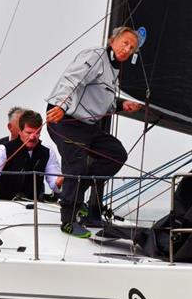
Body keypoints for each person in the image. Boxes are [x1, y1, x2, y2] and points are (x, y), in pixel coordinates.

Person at [45, 26, 143, 237]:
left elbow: (101, 103)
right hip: (64, 119)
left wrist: (121, 104)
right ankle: (68, 221)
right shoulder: (96, 56)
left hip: (86, 127)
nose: (127, 49)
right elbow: (72, 80)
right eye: (124, 43)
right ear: (111, 40)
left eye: (132, 47)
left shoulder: (114, 71)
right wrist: (61, 106)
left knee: (116, 154)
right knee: (76, 163)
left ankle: (76, 195)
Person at [0, 110, 62, 201]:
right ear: (20, 131)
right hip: (4, 203)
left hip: (33, 207)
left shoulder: (47, 152)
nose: (32, 137)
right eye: (28, 133)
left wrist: (59, 181)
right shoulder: (3, 149)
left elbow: (54, 184)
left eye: (36, 133)